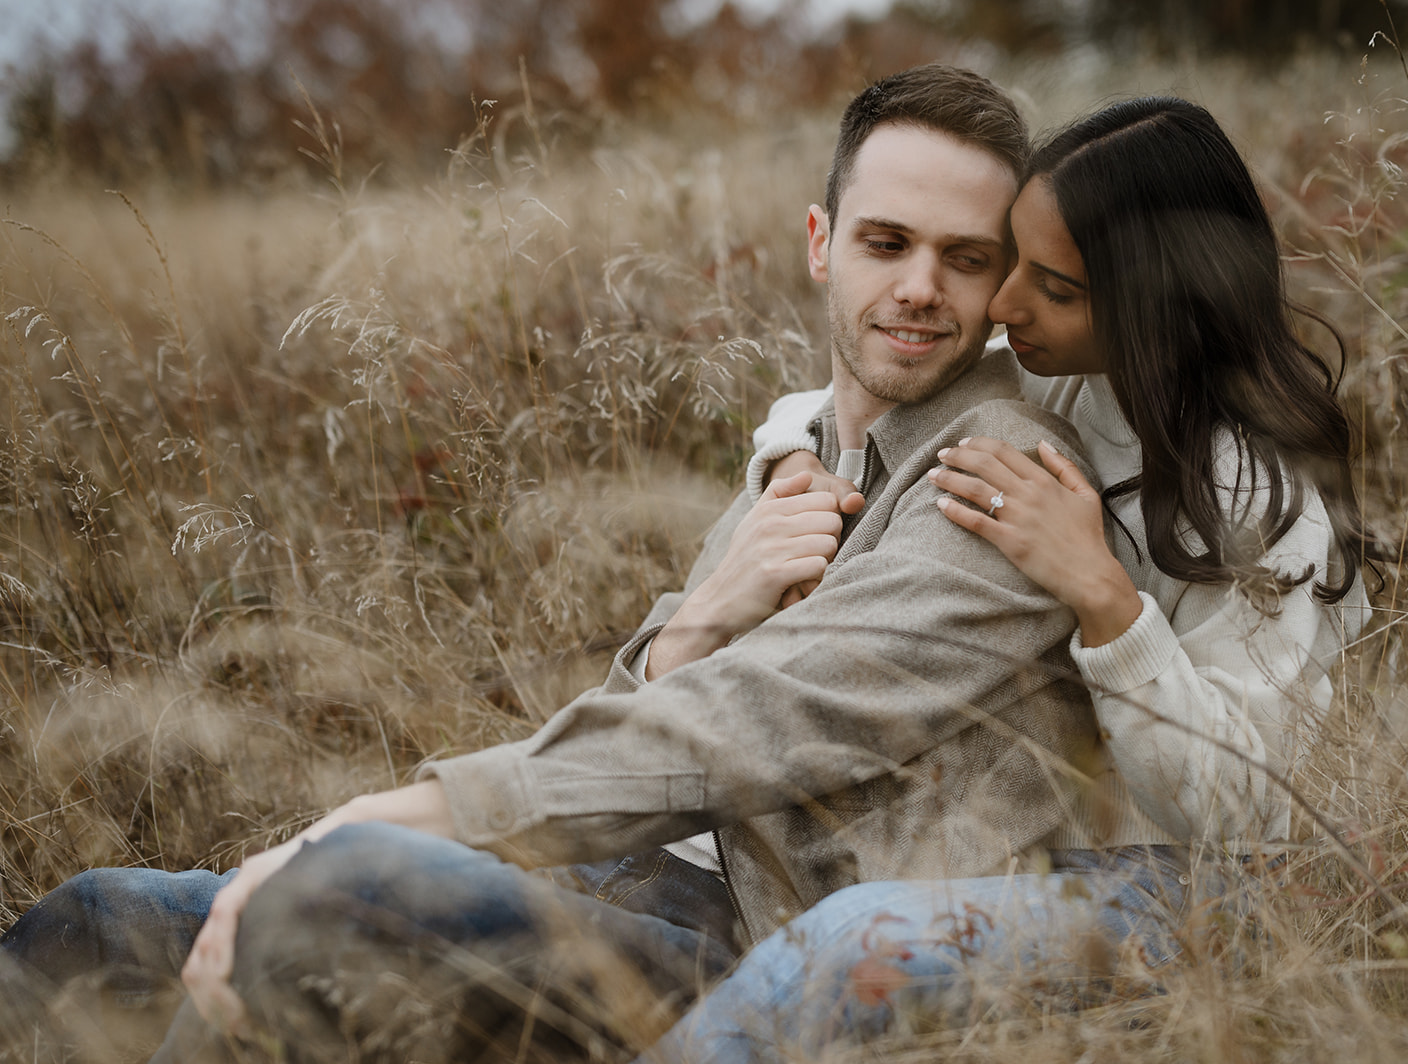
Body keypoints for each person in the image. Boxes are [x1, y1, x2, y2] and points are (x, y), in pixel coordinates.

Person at [1, 65, 1124, 1063]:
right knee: (107, 914)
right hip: (674, 885)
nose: (922, 286)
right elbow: (643, 715)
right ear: (823, 241)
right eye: (889, 242)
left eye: (963, 258)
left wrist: (372, 818)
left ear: (999, 285)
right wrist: (699, 618)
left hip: (782, 963)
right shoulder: (809, 450)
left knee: (328, 895)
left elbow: (749, 720)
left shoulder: (997, 474)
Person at [639, 96, 1373, 1061]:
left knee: (840, 950)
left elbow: (1247, 814)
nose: (1005, 303)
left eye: (1055, 285)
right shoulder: (1045, 369)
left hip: (1181, 894)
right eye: (1012, 260)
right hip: (997, 849)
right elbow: (831, 398)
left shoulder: (1255, 502)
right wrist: (788, 468)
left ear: (1149, 304)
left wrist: (1109, 604)